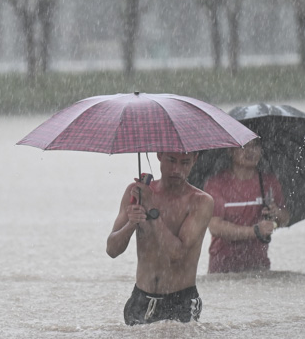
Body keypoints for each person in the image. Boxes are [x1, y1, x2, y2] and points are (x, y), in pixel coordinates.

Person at [107, 151, 214, 325]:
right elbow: (112, 250)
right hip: (140, 299)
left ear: (195, 160)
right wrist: (131, 224)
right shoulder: (135, 193)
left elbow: (176, 255)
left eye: (184, 163)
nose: (177, 169)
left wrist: (151, 209)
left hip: (181, 302)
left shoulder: (200, 202)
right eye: (171, 160)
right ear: (159, 155)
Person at [202, 139, 289, 273]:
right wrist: (254, 231)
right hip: (222, 271)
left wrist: (276, 214)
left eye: (255, 145)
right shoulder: (216, 184)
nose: (251, 151)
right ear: (230, 150)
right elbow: (215, 227)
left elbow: (285, 218)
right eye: (244, 146)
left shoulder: (269, 182)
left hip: (259, 268)